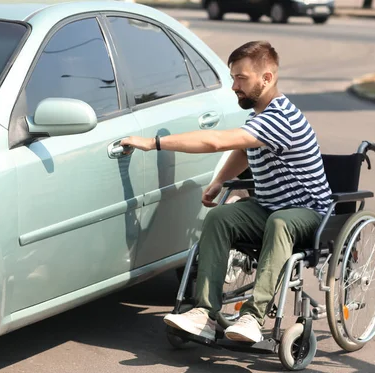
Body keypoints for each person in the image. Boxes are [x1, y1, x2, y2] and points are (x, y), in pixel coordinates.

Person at [120, 40, 332, 343]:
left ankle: (252, 317)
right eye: (233, 78)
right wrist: (220, 179)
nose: (234, 86)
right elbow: (243, 151)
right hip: (270, 209)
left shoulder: (280, 118)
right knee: (221, 217)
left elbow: (217, 142)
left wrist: (152, 143)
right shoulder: (259, 116)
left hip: (309, 214)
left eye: (241, 78)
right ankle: (204, 312)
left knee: (281, 222)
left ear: (267, 78)